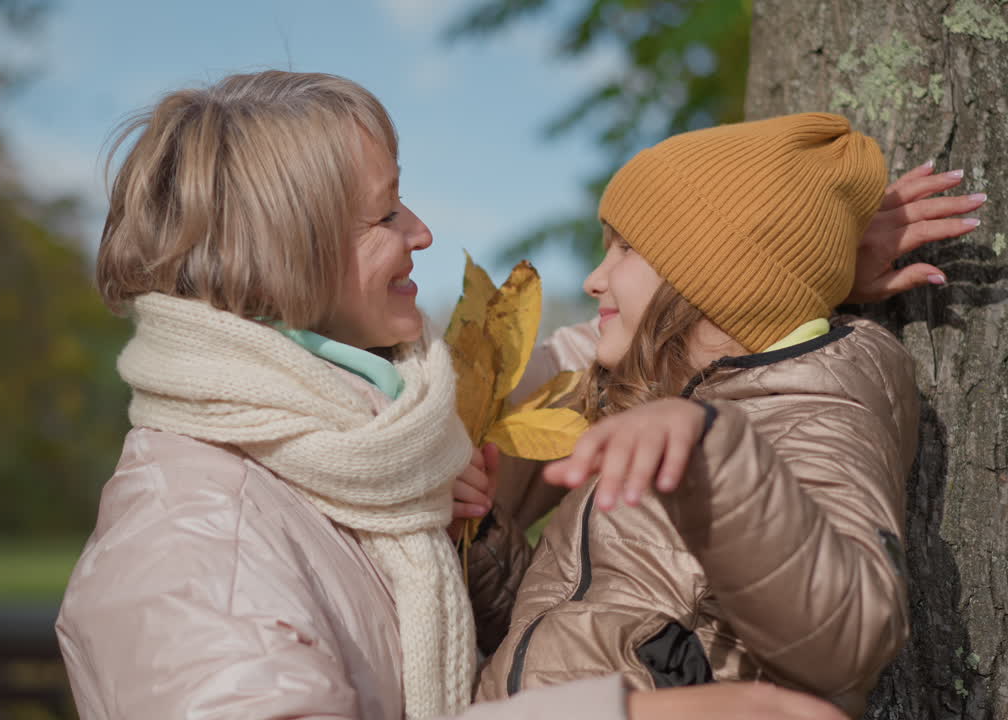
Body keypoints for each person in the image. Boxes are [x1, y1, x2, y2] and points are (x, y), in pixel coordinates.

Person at [53, 71, 865, 720]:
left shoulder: (388, 436)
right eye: (384, 214)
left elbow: (602, 367)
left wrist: (779, 280)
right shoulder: (188, 544)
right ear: (284, 255)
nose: (422, 232)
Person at [471, 113, 979, 718]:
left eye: (626, 248)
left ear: (718, 278)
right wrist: (481, 540)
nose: (594, 278)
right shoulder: (667, 405)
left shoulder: (813, 399)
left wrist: (716, 454)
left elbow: (847, 637)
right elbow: (586, 625)